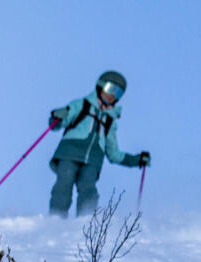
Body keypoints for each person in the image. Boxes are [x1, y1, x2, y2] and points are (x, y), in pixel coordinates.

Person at [47, 70, 150, 217]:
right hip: (69, 152)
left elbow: (113, 154)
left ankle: (86, 222)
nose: (112, 95)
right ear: (100, 86)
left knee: (88, 188)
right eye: (110, 89)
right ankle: (56, 219)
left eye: (118, 93)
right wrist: (57, 116)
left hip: (93, 160)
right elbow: (59, 122)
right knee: (64, 183)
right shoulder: (81, 105)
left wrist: (137, 160)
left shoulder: (109, 121)